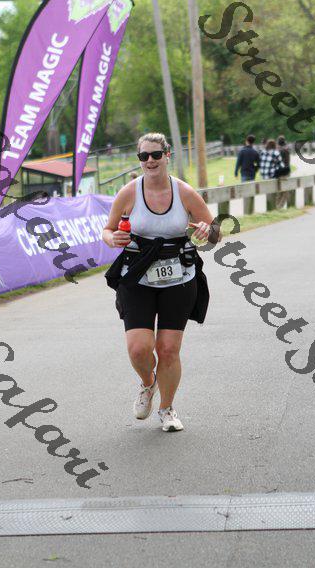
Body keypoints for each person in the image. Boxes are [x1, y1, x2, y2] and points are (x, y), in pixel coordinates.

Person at [103, 132, 221, 433]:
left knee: (168, 349)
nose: (150, 161)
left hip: (179, 277)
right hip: (137, 276)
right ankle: (148, 382)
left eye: (156, 155)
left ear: (167, 155)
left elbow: (215, 232)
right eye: (144, 156)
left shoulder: (185, 192)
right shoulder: (129, 192)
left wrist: (207, 230)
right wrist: (112, 238)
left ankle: (167, 409)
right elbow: (108, 229)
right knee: (139, 349)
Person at [276, 135, 291, 209]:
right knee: (286, 191)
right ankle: (280, 206)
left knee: (279, 190)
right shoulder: (286, 150)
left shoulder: (276, 150)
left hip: (277, 172)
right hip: (285, 172)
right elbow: (287, 162)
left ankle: (277, 205)